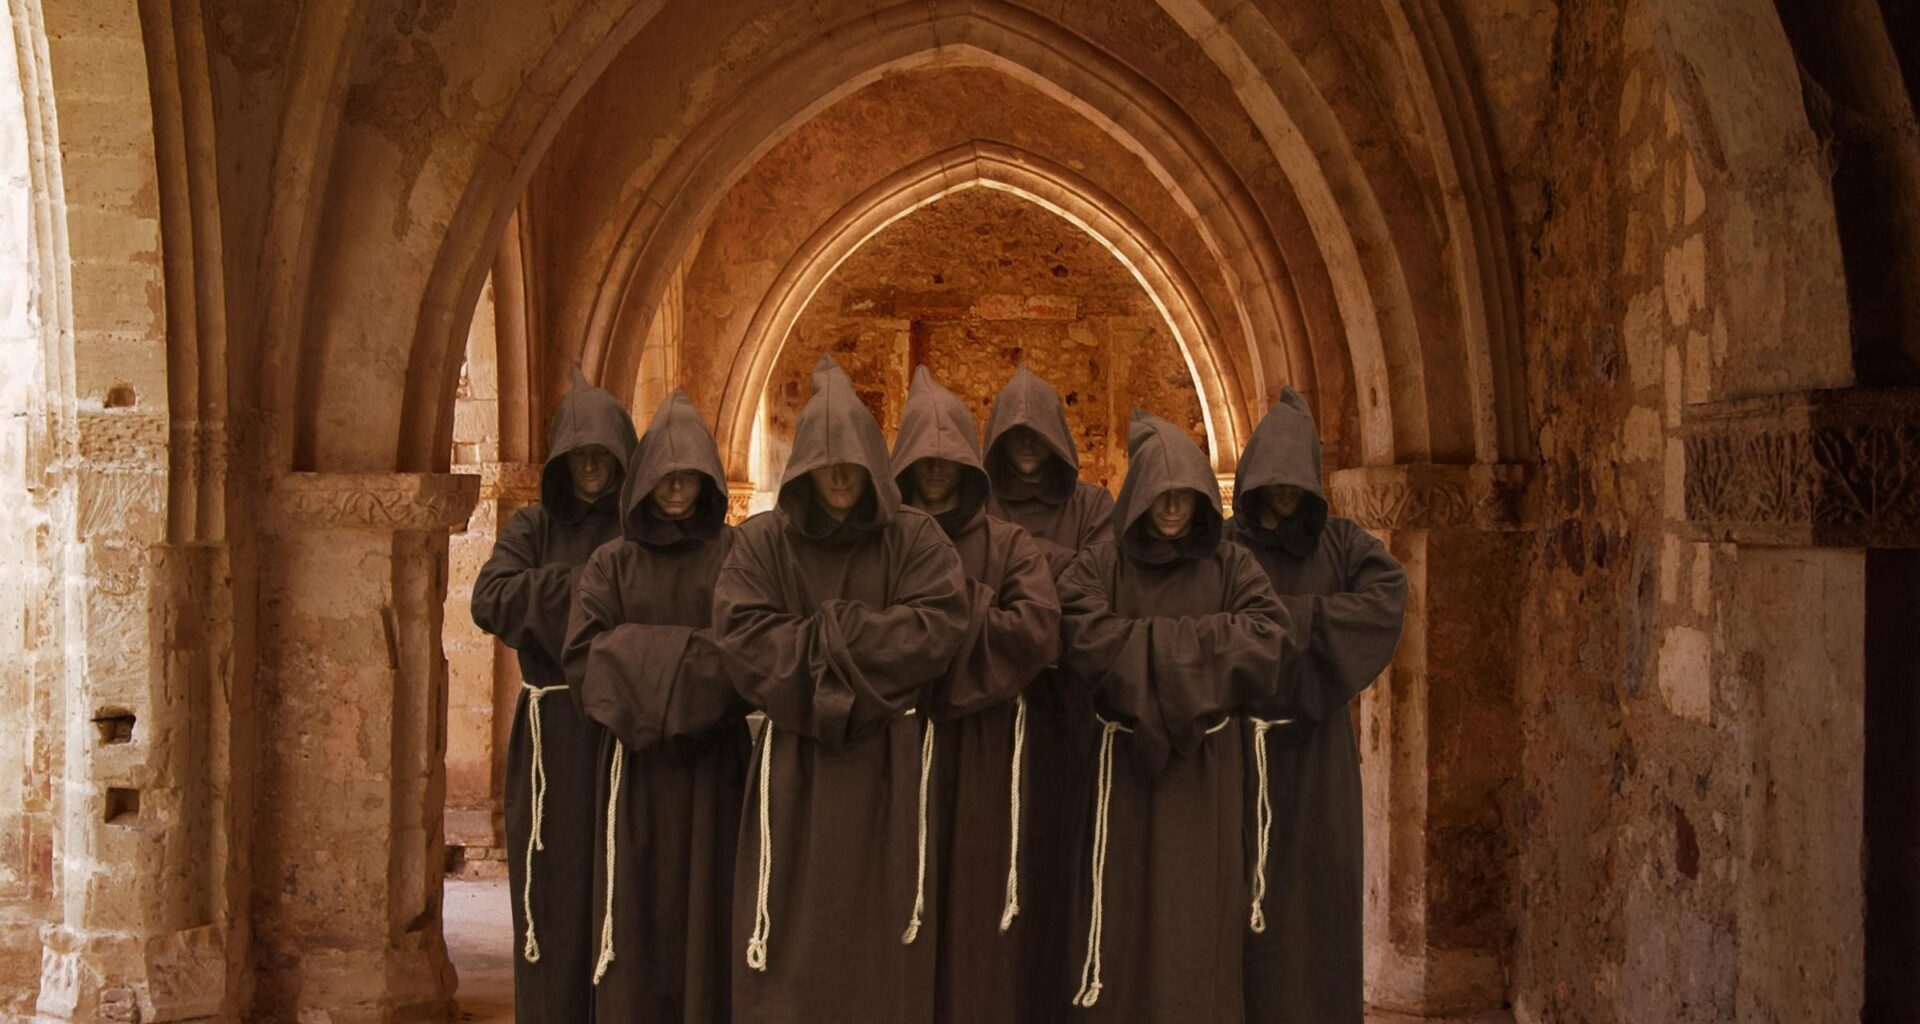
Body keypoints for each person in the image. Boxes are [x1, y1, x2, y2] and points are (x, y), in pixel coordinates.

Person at [714, 355, 971, 1023]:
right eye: (825, 462)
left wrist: (823, 634)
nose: (836, 475)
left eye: (849, 462)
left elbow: (936, 627)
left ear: (869, 463)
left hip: (889, 765)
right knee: (794, 943)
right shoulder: (762, 543)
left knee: (881, 945)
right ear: (803, 464)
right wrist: (860, 640)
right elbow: (745, 639)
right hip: (794, 768)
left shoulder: (914, 538)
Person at [1055, 408, 1297, 1022]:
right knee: (1119, 915)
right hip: (1121, 777)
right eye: (1160, 493)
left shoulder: (1232, 566)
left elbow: (1268, 635)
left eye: (1184, 494)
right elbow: (1081, 633)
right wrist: (1202, 647)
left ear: (1201, 498)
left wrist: (1145, 644)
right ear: (1138, 494)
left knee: (1197, 920)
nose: (1170, 507)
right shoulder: (1100, 566)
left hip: (1203, 777)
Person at [562, 390, 750, 1022]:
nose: (674, 486)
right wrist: (691, 658)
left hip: (713, 769)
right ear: (643, 478)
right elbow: (584, 657)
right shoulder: (611, 563)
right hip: (633, 773)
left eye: (688, 474)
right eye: (664, 474)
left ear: (707, 480)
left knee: (709, 912)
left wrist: (636, 658)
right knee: (635, 913)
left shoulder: (734, 555)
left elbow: (745, 652)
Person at [1224, 388, 1407, 1024]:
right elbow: (1197, 620)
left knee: (1316, 902)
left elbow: (1385, 600)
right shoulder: (1226, 546)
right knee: (1237, 903)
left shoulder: (1343, 546)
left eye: (1293, 479)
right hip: (1236, 754)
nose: (1283, 490)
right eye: (1272, 479)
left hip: (1318, 762)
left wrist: (1280, 625)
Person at [890, 367, 1061, 1023]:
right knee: (899, 901)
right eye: (924, 460)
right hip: (900, 745)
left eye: (948, 459)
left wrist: (939, 614)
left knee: (977, 906)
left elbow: (1036, 628)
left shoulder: (1007, 543)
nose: (935, 472)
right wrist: (969, 614)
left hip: (987, 749)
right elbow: (866, 628)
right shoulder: (886, 539)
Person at [472, 367, 636, 1023]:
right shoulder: (532, 527)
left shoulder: (641, 526)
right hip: (552, 740)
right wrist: (594, 591)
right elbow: (490, 599)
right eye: (578, 454)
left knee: (622, 893)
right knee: (552, 896)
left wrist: (557, 600)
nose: (590, 466)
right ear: (560, 462)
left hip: (624, 735)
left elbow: (657, 603)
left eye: (602, 453)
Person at [980, 365, 1115, 1017]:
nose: (1027, 443)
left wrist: (1010, 566)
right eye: (1015, 433)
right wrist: (1048, 570)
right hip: (990, 712)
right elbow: (957, 582)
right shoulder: (978, 501)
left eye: (1037, 432)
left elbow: (1098, 585)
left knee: (1064, 864)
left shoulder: (1092, 506)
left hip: (1069, 715)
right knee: (993, 864)